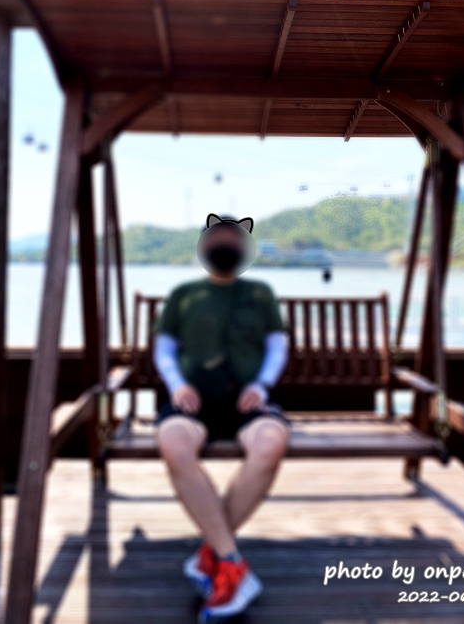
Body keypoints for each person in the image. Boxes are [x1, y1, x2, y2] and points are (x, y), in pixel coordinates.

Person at [153, 213, 290, 622]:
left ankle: (213, 556)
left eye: (234, 239)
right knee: (173, 441)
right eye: (218, 238)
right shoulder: (183, 294)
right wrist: (177, 384)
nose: (225, 245)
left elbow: (277, 346)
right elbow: (164, 348)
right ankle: (231, 561)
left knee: (271, 442)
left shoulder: (261, 294)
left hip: (248, 401)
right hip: (193, 402)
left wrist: (262, 384)